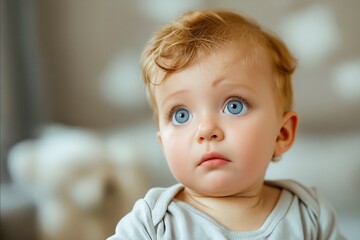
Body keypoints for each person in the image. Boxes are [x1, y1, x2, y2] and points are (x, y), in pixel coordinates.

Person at [108, 10, 344, 239]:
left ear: (281, 134)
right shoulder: (152, 224)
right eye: (181, 115)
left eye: (234, 106)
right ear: (163, 144)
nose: (206, 130)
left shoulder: (309, 215)